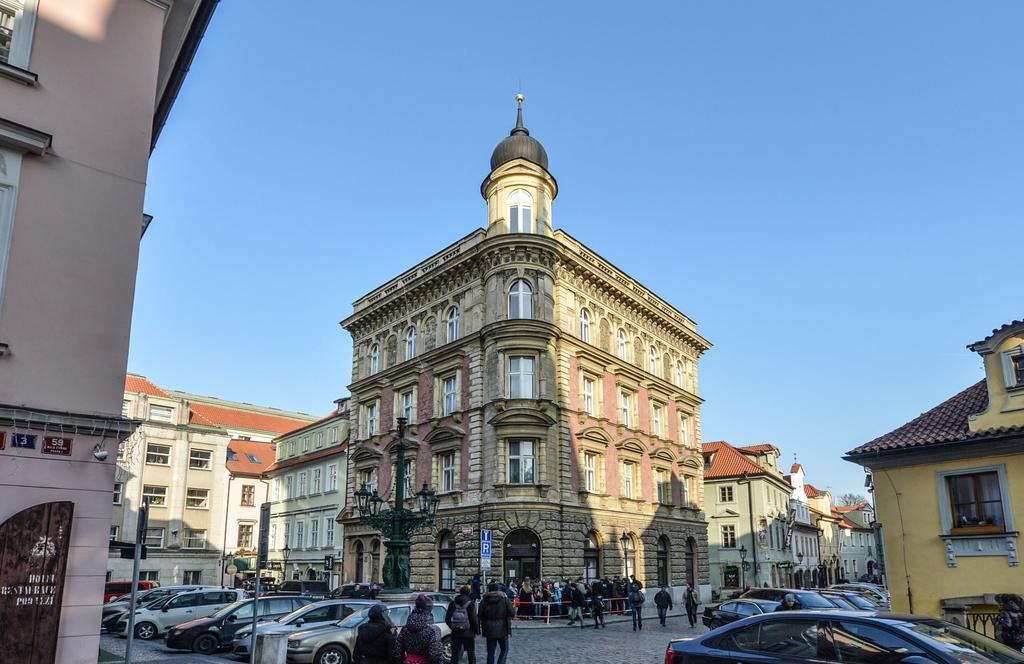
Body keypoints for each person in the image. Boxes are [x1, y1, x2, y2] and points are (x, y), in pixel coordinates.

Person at [394, 594, 444, 664]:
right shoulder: (433, 630)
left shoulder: (405, 629)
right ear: (430, 610)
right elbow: (435, 654)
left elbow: (397, 651)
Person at [479, 582, 514, 664]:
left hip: (488, 629)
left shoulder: (484, 601)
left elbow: (479, 615)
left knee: (490, 652)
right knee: (504, 650)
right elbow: (512, 613)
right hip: (503, 628)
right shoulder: (505, 600)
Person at [446, 585, 479, 664]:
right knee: (471, 654)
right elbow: (473, 619)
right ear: (468, 593)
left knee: (455, 655)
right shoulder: (470, 603)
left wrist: (452, 627)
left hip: (455, 632)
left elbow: (447, 619)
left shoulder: (453, 603)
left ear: (460, 592)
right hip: (468, 632)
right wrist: (475, 630)